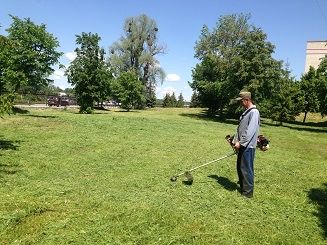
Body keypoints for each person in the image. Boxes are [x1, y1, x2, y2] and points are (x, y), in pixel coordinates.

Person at [233, 91, 260, 198]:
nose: (240, 103)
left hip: (248, 146)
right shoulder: (247, 112)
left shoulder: (254, 112)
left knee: (246, 168)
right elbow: (241, 128)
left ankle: (248, 193)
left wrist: (241, 142)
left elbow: (250, 131)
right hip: (243, 145)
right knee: (240, 167)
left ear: (247, 100)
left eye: (241, 101)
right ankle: (243, 186)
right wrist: (235, 140)